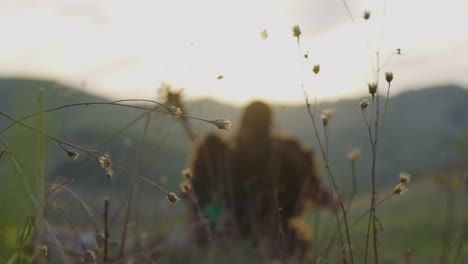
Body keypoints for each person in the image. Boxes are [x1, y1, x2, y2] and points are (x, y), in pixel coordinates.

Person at [185, 101, 336, 259]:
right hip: (245, 235)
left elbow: (193, 197)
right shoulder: (282, 153)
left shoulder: (280, 155)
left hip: (255, 235)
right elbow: (316, 191)